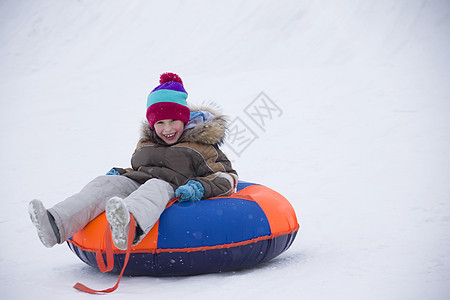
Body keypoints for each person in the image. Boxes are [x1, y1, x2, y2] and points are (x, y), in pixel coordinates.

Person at [29, 72, 238, 250]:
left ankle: (127, 227)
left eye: (174, 121)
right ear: (151, 124)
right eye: (160, 123)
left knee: (156, 186)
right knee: (105, 183)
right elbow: (141, 169)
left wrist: (199, 188)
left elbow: (227, 177)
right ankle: (55, 225)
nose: (167, 129)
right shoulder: (146, 142)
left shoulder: (201, 146)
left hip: (172, 188)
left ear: (184, 119)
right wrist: (121, 173)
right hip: (140, 182)